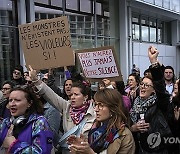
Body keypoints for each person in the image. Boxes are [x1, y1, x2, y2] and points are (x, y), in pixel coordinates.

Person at [28, 65, 95, 154]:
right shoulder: (66, 106)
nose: (72, 97)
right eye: (71, 95)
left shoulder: (95, 112)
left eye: (76, 94)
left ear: (85, 97)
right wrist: (36, 80)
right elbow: (50, 95)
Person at [130, 46, 173, 153]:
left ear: (154, 90)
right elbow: (128, 125)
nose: (143, 87)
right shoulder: (135, 102)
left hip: (157, 149)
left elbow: (160, 85)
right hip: (139, 148)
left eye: (147, 85)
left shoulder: (160, 103)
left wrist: (153, 61)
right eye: (142, 84)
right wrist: (134, 128)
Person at [67, 88, 135, 154]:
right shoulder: (95, 130)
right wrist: (80, 148)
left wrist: (90, 152)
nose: (96, 109)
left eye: (101, 105)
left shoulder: (124, 135)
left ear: (113, 109)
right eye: (96, 104)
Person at [0, 85, 53, 153]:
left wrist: (14, 145)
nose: (12, 104)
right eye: (10, 100)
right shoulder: (6, 123)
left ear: (29, 103)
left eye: (17, 100)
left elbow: (42, 151)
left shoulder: (39, 123)